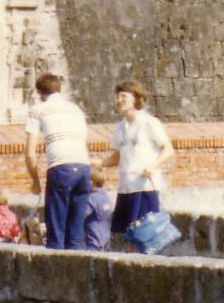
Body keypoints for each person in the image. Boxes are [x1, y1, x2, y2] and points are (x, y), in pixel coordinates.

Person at [23, 73, 92, 250]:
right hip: (83, 167)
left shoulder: (38, 110)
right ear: (59, 89)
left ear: (39, 92)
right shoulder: (76, 110)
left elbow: (30, 154)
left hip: (61, 167)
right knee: (76, 231)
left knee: (56, 229)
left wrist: (35, 181)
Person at [101, 79, 175, 241]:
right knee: (128, 235)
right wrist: (97, 163)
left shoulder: (149, 122)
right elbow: (117, 157)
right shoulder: (120, 127)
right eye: (118, 97)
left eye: (123, 97)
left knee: (146, 235)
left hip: (144, 186)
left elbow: (168, 149)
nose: (118, 101)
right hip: (126, 187)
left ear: (135, 98)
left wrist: (153, 165)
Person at [83, 168, 113, 251]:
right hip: (106, 237)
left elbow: (81, 215)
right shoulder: (106, 196)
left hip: (93, 237)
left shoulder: (92, 198)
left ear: (91, 182)